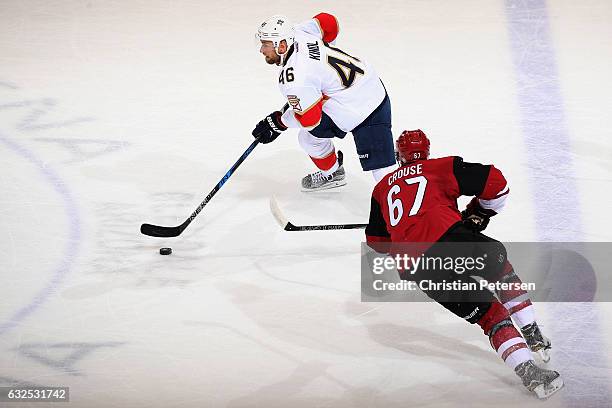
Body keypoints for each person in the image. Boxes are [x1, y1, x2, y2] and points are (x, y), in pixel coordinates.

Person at [365, 129, 564, 399]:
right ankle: (532, 332)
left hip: (416, 267)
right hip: (450, 240)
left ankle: (532, 374)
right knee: (499, 267)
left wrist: (402, 228)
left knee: (489, 316)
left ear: (398, 156)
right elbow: (497, 182)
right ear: (426, 152)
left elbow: (378, 244)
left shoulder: (381, 189)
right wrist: (479, 211)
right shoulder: (440, 167)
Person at [252, 13, 397, 191]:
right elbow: (329, 22)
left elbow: (309, 120)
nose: (261, 50)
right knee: (308, 139)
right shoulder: (298, 32)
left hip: (367, 107)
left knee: (384, 174)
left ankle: (406, 211)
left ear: (281, 46)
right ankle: (333, 173)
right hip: (362, 82)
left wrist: (279, 122)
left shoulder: (295, 79)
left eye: (265, 45)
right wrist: (321, 65)